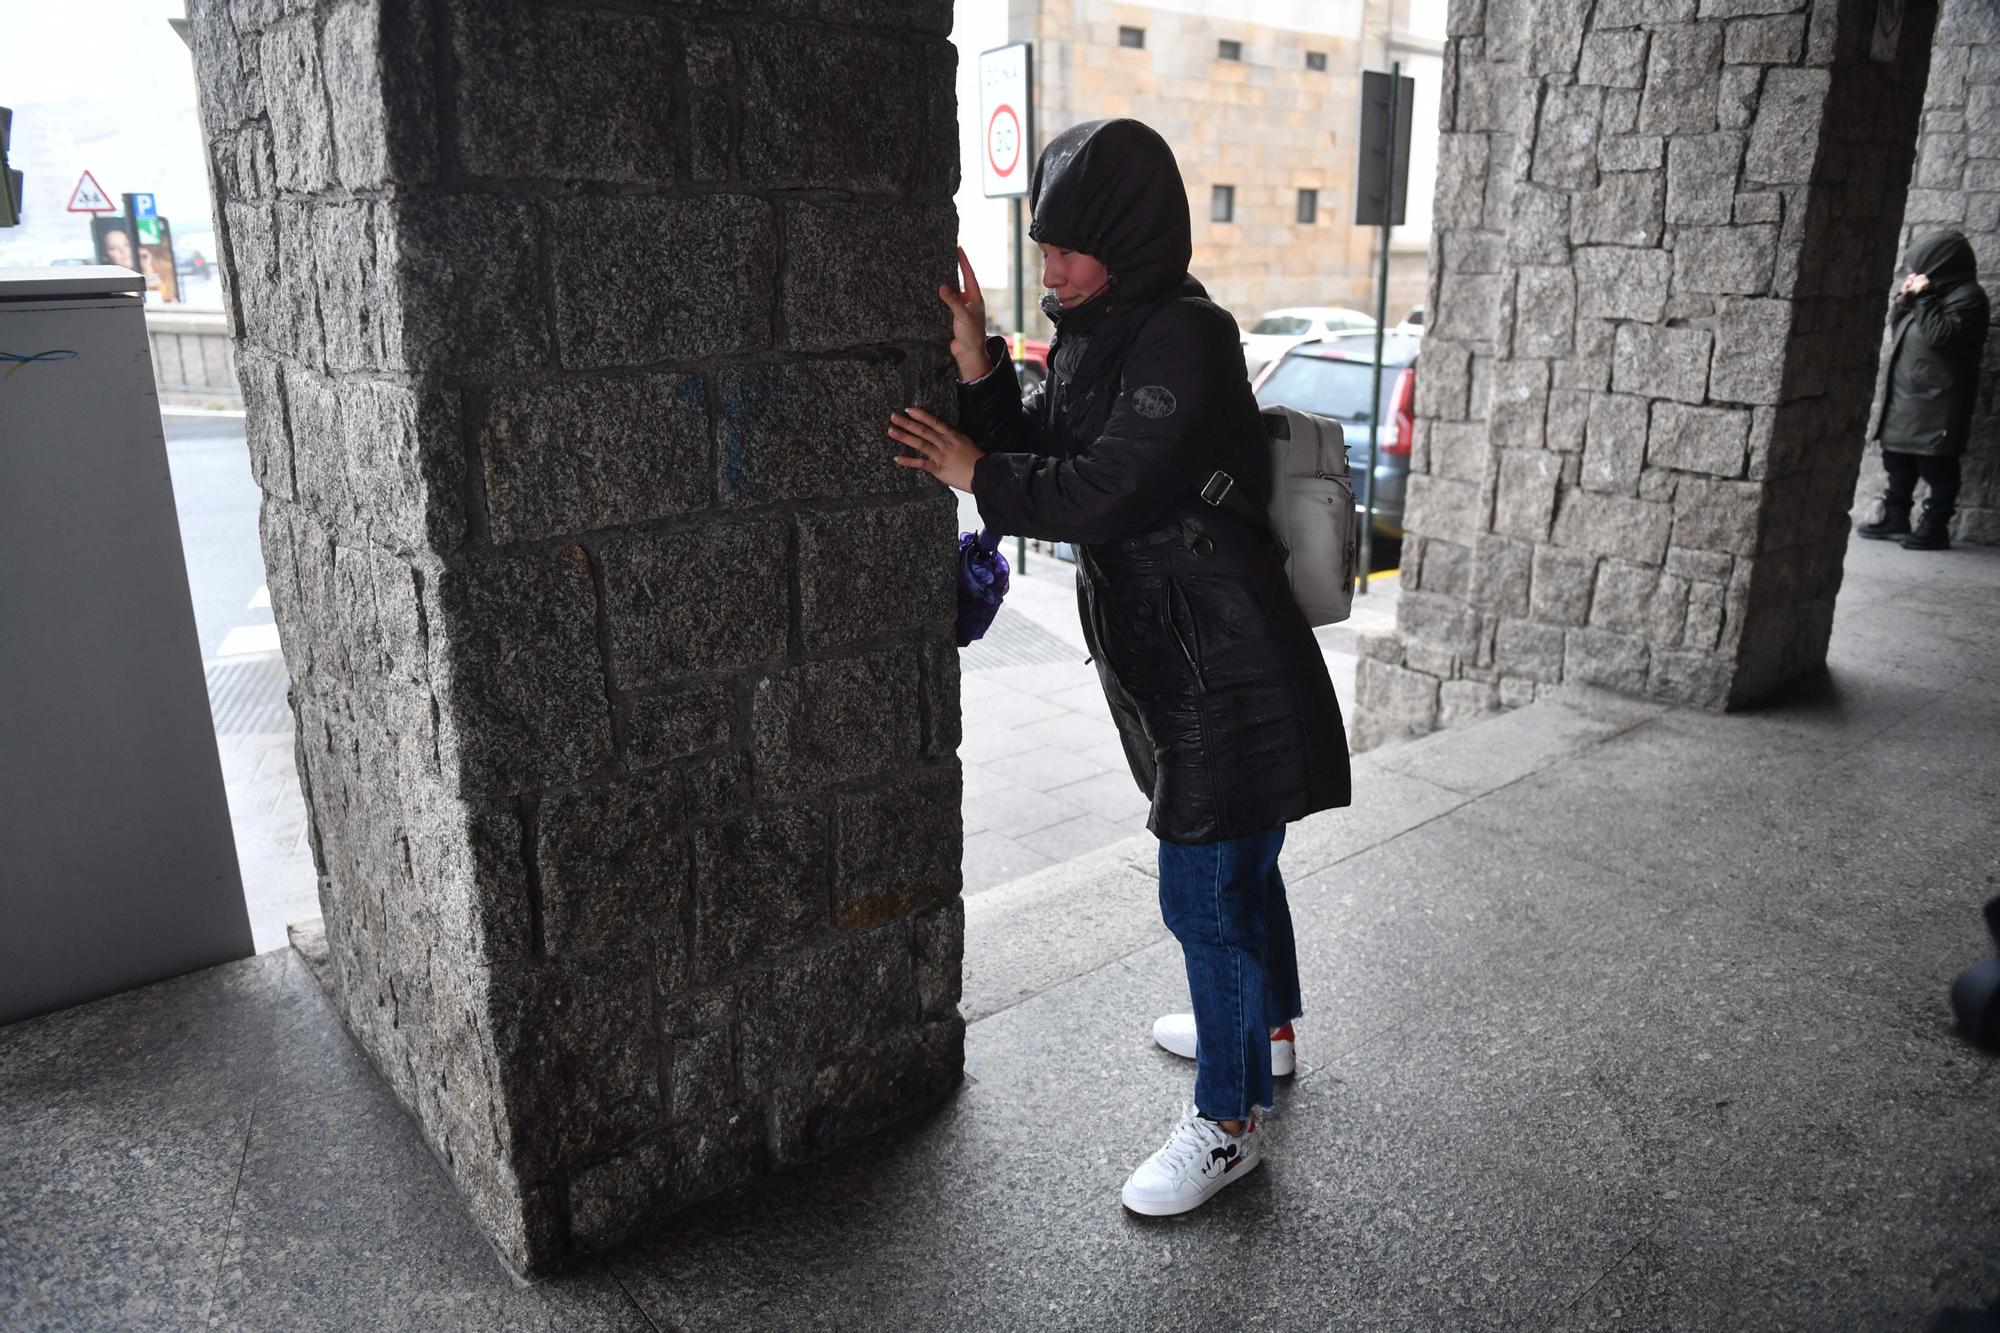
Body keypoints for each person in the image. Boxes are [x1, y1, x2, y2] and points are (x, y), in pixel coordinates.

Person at [887, 118, 1350, 1217]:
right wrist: (978, 359)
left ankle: (1228, 1121)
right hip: (1183, 650)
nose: (1049, 264)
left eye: (1068, 246)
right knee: (1238, 865)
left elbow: (1106, 492)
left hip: (1223, 658)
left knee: (1203, 888)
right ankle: (1264, 1029)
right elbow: (1048, 444)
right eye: (1042, 245)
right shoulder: (1101, 328)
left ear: (1130, 239)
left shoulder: (1183, 335)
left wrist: (972, 470)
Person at [1857, 230, 1990, 551]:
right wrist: (1905, 302)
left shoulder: (1969, 297)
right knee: (1897, 460)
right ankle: (1895, 517)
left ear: (1942, 265)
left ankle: (1935, 527)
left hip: (1939, 401)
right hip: (1905, 395)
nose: (1917, 274)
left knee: (1937, 466)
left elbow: (1941, 335)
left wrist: (1926, 297)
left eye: (1923, 268)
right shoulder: (1933, 293)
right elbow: (1898, 327)